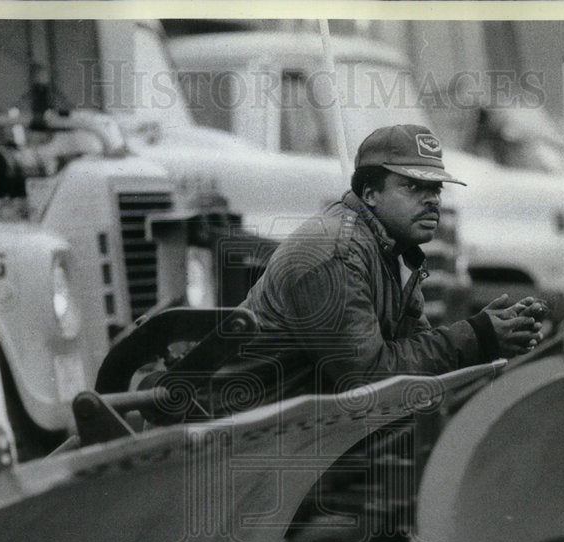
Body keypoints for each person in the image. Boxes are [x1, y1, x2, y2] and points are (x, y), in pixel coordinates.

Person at [227, 123, 544, 405]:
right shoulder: (338, 253)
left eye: (436, 188)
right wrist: (477, 336)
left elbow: (411, 353)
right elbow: (369, 378)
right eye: (413, 186)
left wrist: (489, 332)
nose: (432, 199)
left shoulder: (393, 251)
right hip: (226, 426)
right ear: (370, 193)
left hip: (283, 427)